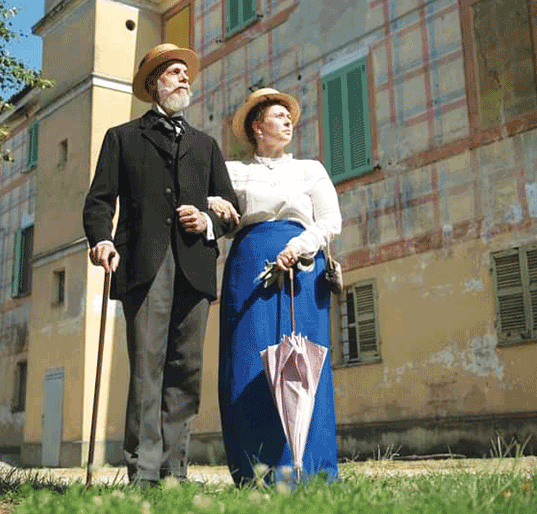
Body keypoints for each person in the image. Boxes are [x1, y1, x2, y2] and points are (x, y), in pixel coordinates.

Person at [83, 43, 239, 489]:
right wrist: (103, 240)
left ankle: (175, 471)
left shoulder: (205, 145)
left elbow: (232, 208)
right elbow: (99, 201)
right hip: (143, 264)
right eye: (173, 73)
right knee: (147, 367)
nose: (183, 79)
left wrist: (209, 219)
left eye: (185, 73)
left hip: (195, 263)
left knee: (185, 370)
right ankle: (144, 473)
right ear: (154, 84)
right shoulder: (123, 137)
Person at [211, 88, 342, 486]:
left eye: (290, 116)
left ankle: (312, 470)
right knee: (247, 361)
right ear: (257, 126)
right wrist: (212, 204)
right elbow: (216, 212)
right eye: (279, 116)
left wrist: (299, 247)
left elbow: (330, 220)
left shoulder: (310, 169)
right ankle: (256, 473)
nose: (289, 121)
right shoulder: (233, 171)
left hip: (303, 268)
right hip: (249, 263)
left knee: (304, 361)